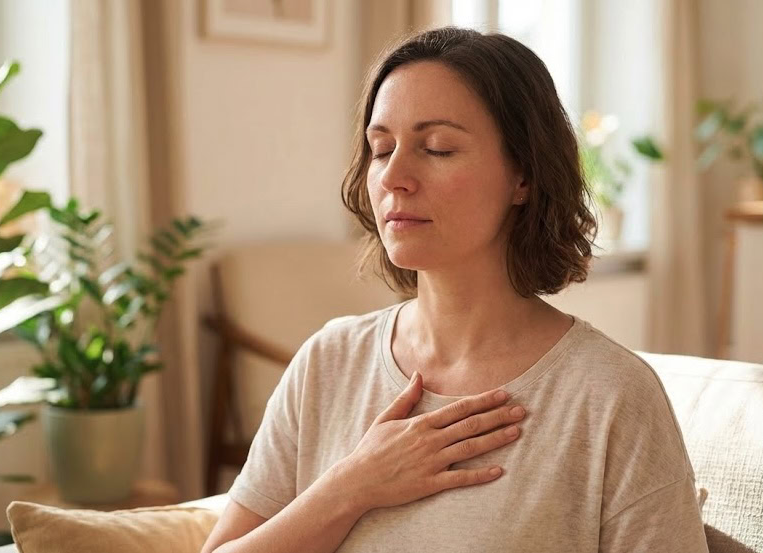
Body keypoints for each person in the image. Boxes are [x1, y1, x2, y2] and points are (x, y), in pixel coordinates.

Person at [201, 27, 708, 553]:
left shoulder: (611, 397)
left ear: (524, 176)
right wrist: (352, 486)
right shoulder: (327, 363)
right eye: (380, 149)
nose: (394, 176)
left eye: (437, 148)